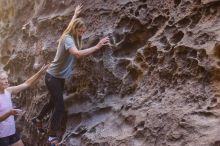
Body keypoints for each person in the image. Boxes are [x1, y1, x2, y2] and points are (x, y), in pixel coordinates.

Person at [31, 4, 110, 145]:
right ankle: (51, 137)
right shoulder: (67, 38)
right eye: (80, 31)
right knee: (60, 106)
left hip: (57, 78)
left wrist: (75, 14)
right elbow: (77, 54)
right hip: (52, 77)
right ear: (75, 30)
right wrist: (97, 46)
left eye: (83, 32)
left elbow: (70, 27)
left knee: (52, 102)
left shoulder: (69, 34)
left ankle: (37, 119)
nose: (81, 34)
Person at [0, 64, 49, 146]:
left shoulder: (9, 91)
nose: (7, 81)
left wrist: (40, 72)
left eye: (7, 78)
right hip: (2, 136)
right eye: (3, 79)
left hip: (12, 132)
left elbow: (26, 84)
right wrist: (10, 113)